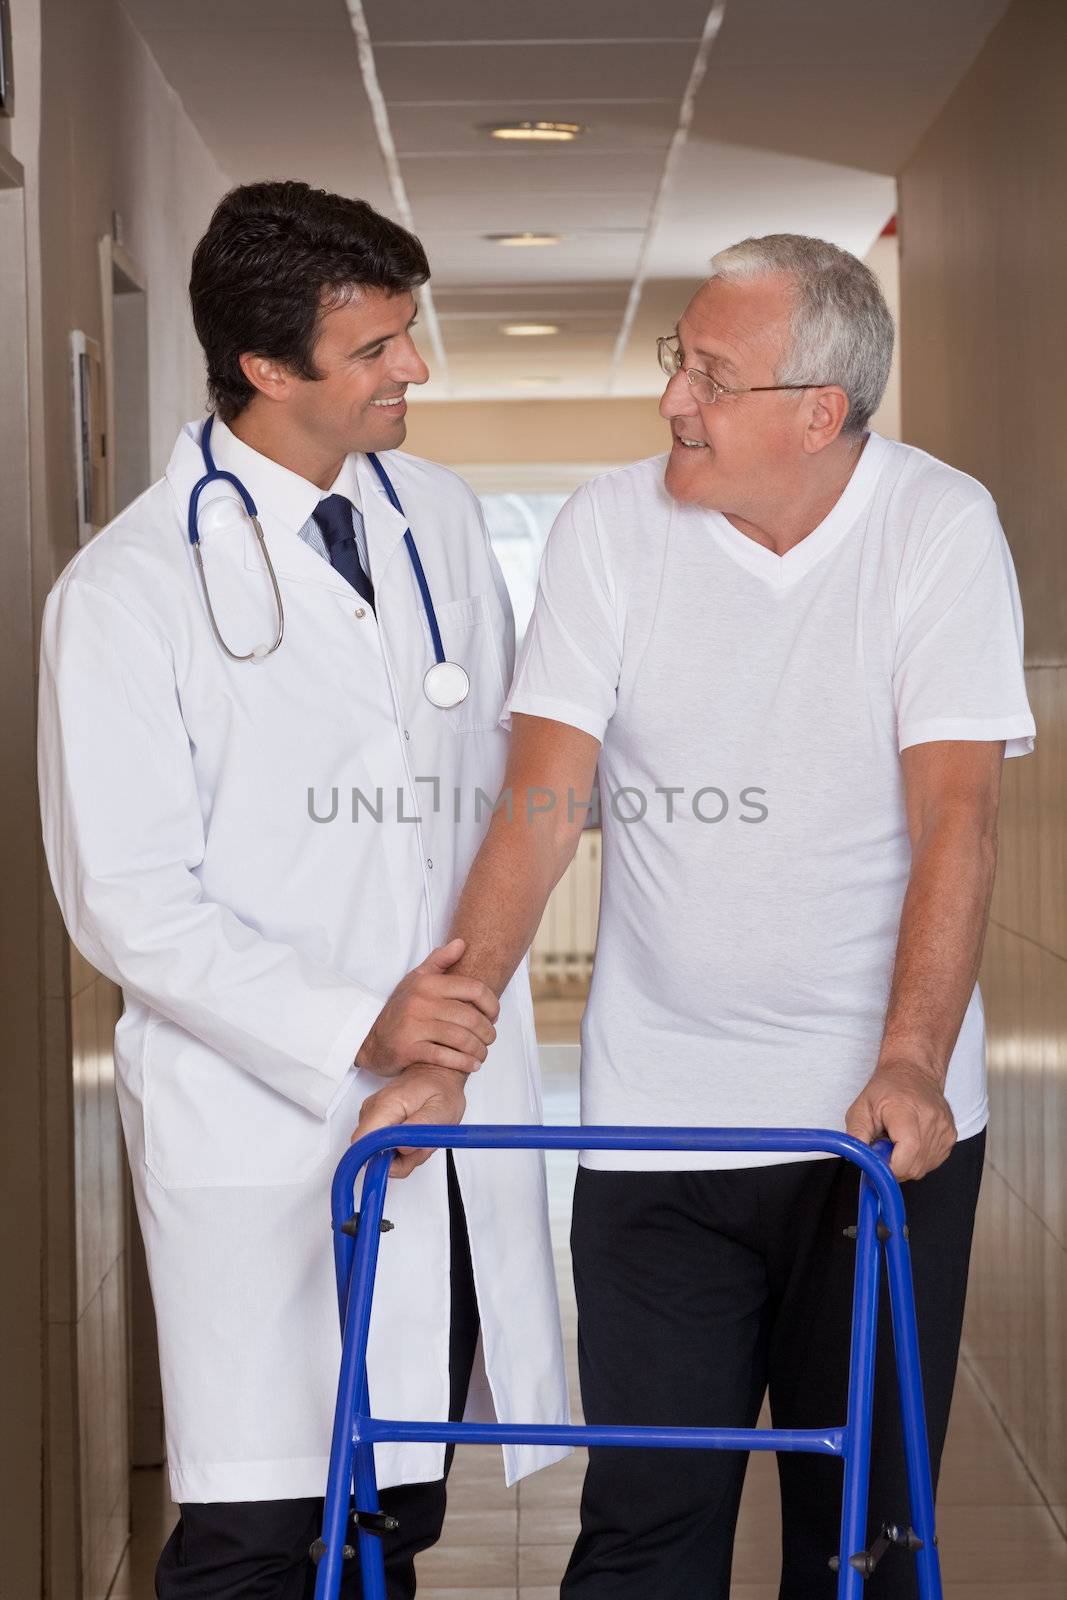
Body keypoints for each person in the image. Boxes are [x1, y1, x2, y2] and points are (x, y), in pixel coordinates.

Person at [356, 234, 1036, 1597]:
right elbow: (544, 806)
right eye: (680, 360)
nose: (674, 398)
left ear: (816, 414)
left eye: (711, 378)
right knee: (647, 1526)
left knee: (863, 1538)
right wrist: (449, 1049)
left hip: (875, 1142)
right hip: (662, 1127)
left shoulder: (937, 525)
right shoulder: (612, 527)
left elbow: (955, 818)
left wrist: (909, 1058)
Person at [38, 180, 567, 1600]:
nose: (417, 369)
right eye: (381, 347)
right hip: (266, 1111)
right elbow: (130, 903)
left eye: (411, 332)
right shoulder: (128, 591)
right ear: (270, 370)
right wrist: (360, 1025)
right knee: (260, 1530)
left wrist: (438, 1029)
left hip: (441, 1103)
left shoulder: (438, 519)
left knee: (398, 1497)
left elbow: (505, 783)